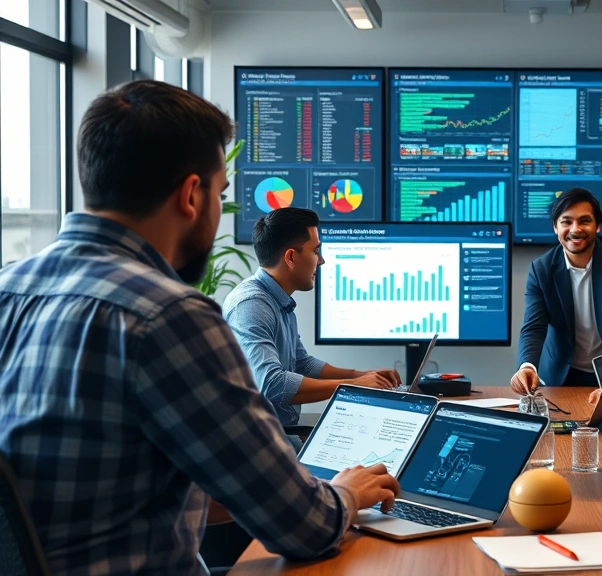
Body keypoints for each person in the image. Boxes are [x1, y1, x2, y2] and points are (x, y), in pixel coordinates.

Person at [0, 80, 399, 575]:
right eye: (221, 193)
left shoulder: (7, 291)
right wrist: (344, 493)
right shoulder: (168, 317)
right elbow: (302, 526)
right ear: (192, 195)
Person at [224, 207, 400, 449]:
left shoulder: (278, 300)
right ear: (291, 257)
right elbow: (273, 384)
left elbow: (301, 363)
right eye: (316, 251)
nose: (322, 261)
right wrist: (355, 386)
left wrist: (361, 375)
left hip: (279, 433)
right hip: (259, 444)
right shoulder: (252, 305)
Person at [509, 188, 602, 394]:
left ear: (598, 225)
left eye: (584, 221)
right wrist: (527, 366)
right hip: (562, 376)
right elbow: (534, 327)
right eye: (566, 221)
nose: (575, 229)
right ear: (555, 226)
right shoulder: (541, 269)